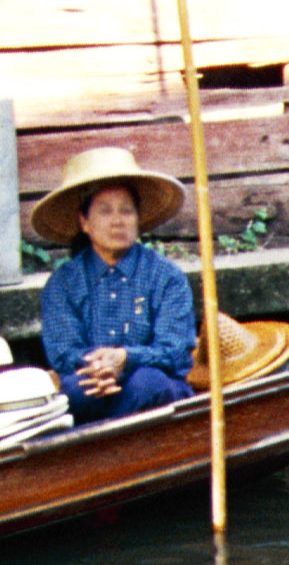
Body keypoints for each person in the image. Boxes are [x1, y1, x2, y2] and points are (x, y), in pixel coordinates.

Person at [32, 145, 199, 424]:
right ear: (85, 222)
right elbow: (64, 354)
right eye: (105, 211)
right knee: (76, 389)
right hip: (94, 387)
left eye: (126, 211)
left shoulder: (167, 277)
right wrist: (101, 368)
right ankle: (107, 445)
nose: (118, 220)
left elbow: (176, 353)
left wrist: (125, 359)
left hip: (152, 395)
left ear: (138, 219)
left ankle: (94, 446)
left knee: (148, 383)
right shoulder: (63, 283)